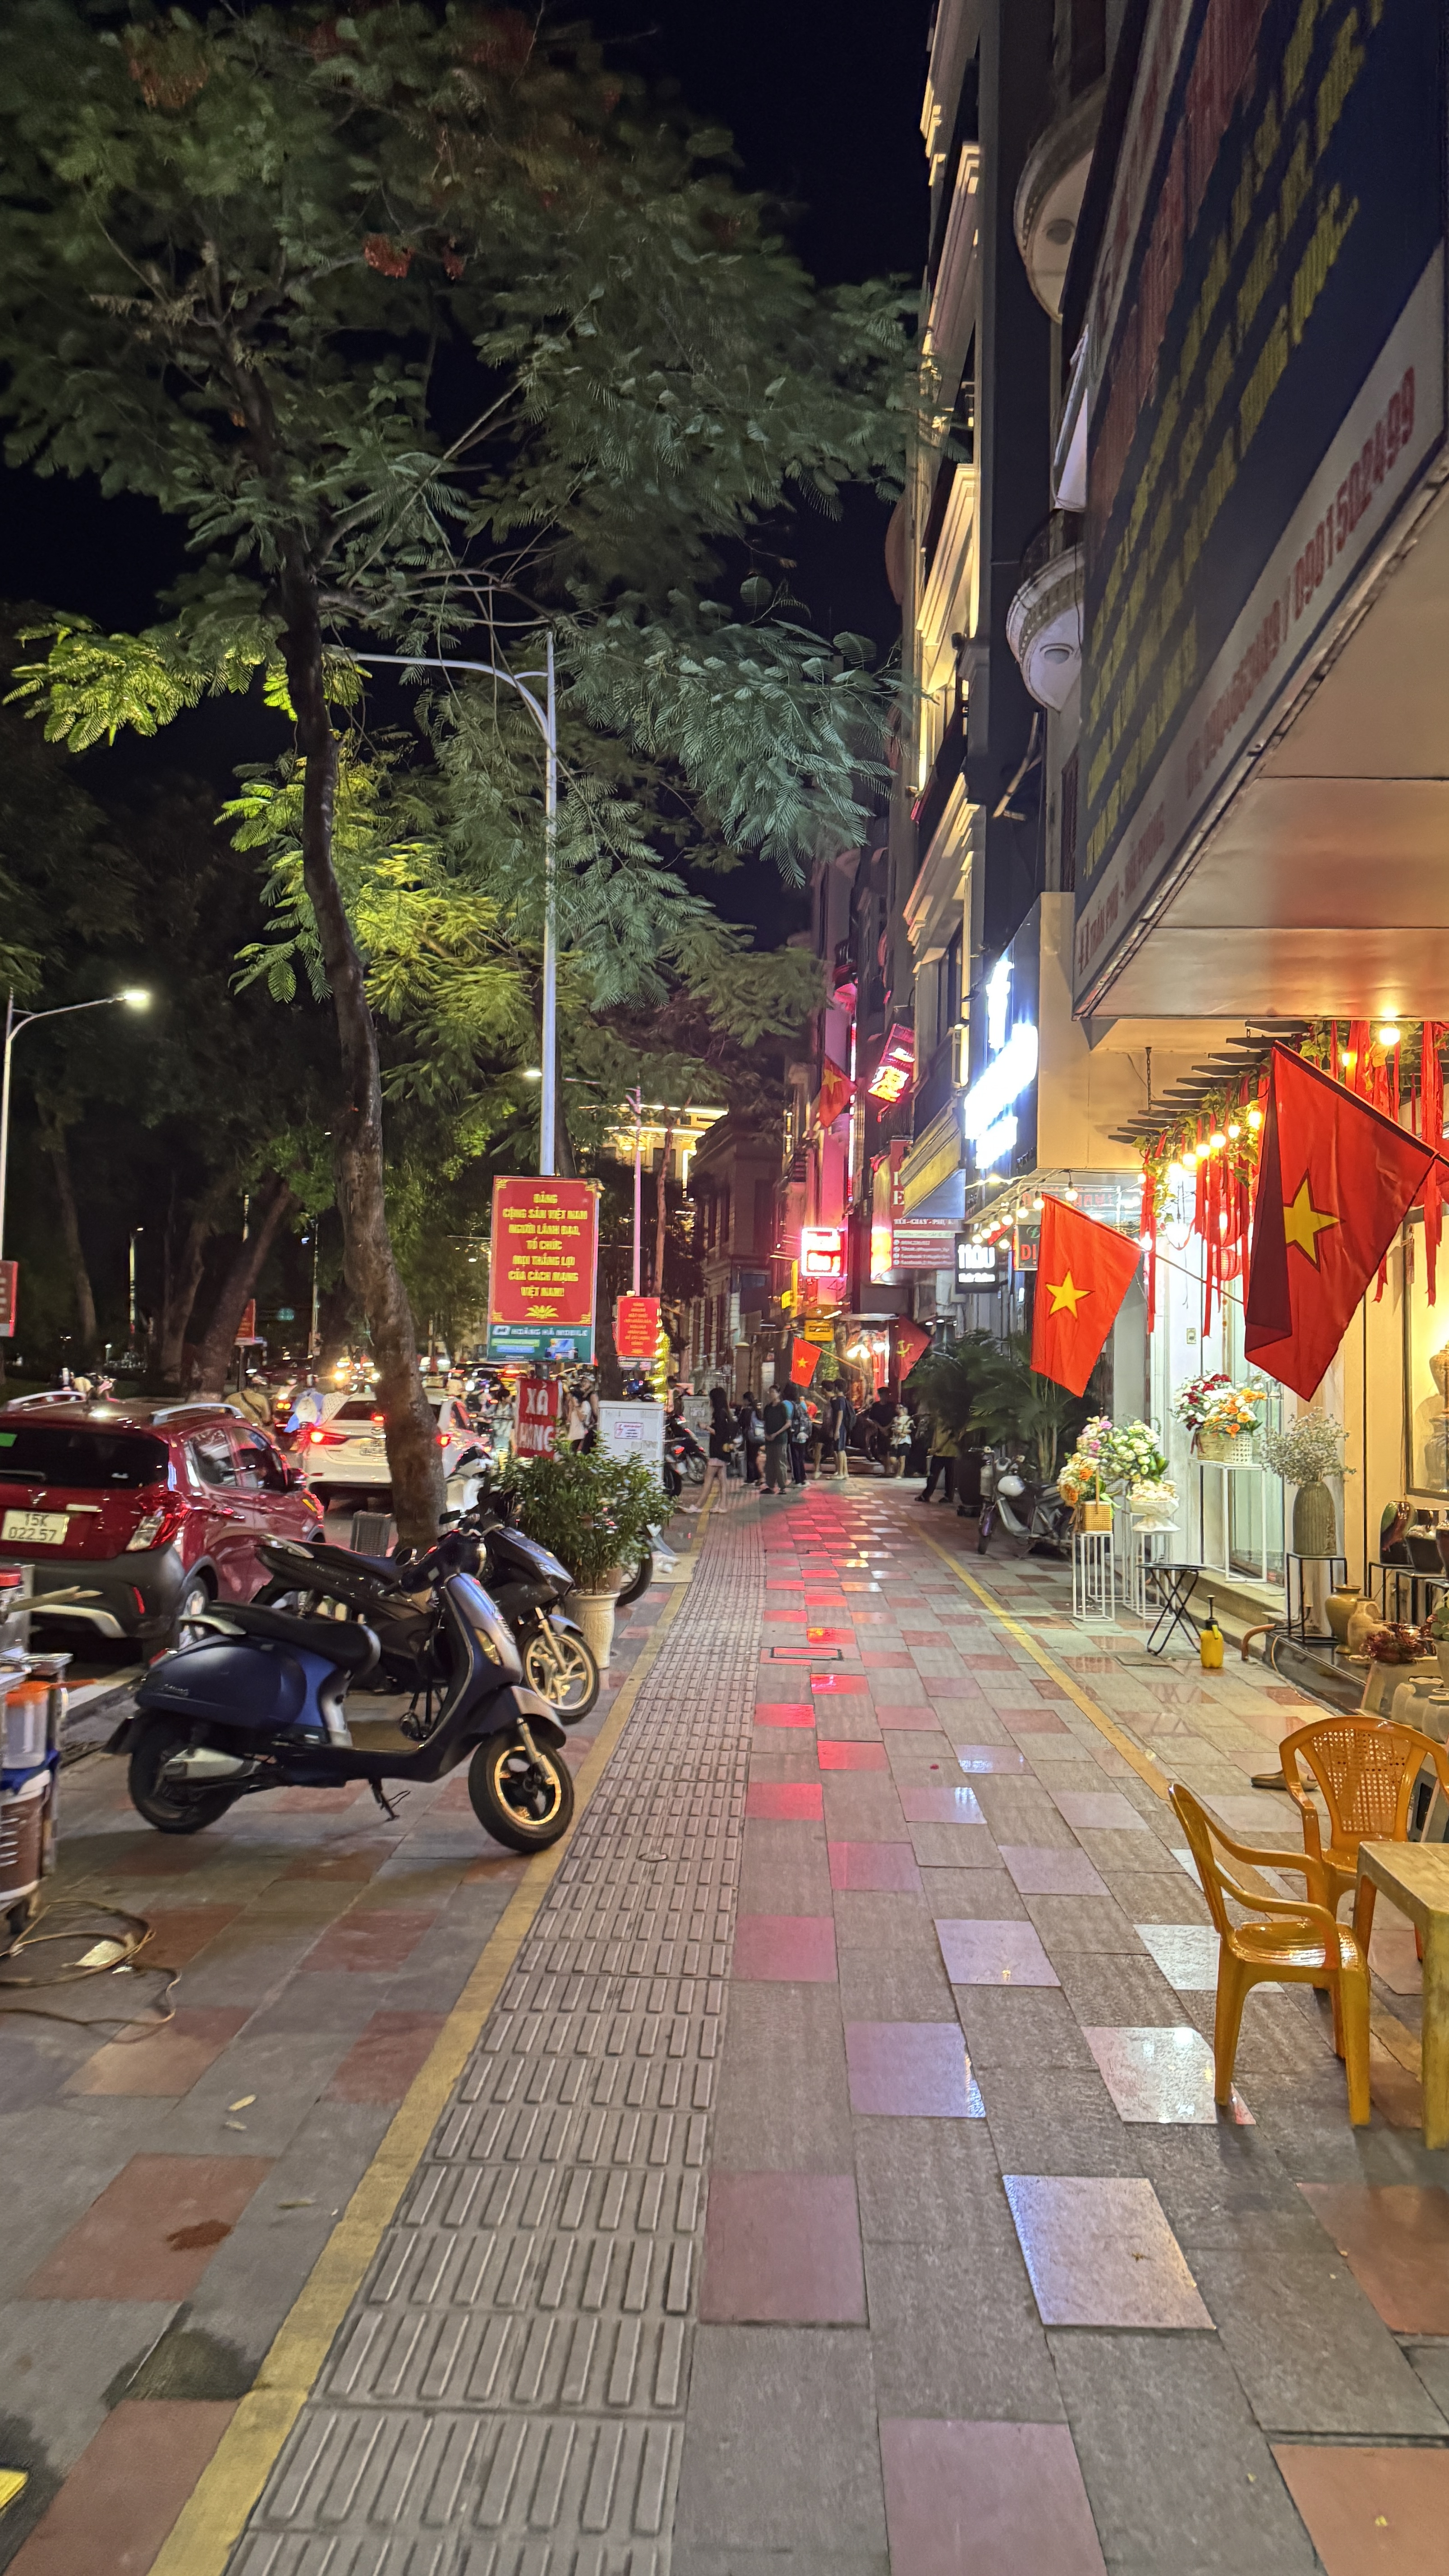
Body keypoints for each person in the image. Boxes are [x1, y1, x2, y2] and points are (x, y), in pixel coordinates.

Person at [687, 1386, 735, 1511]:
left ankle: (698, 1506)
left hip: (717, 1452)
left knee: (708, 1480)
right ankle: (723, 1506)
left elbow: (719, 1433)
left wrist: (706, 1427)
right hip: (724, 1452)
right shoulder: (725, 1413)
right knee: (723, 1480)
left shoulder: (719, 1414)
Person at [922, 1416, 959, 1503]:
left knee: (946, 1476)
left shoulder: (949, 1418)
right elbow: (936, 1434)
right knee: (938, 1475)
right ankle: (928, 1495)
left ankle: (947, 1496)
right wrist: (933, 1448)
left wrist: (937, 1449)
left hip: (948, 1451)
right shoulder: (939, 1417)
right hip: (940, 1452)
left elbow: (949, 1435)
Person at [760, 1389, 791, 1495]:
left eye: (773, 1392)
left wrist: (776, 1434)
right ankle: (770, 1485)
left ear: (778, 1394)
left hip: (780, 1439)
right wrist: (766, 1434)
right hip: (769, 1439)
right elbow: (765, 1422)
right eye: (770, 1392)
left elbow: (788, 1423)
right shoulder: (768, 1408)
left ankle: (783, 1486)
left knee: (780, 1462)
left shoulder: (783, 1407)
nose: (771, 1394)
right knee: (770, 1463)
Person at [737, 1391, 763, 1487]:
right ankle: (758, 1477)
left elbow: (741, 1423)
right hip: (759, 1435)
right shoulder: (757, 1409)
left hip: (750, 1436)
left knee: (750, 1458)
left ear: (747, 1400)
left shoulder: (747, 1411)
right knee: (755, 1457)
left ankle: (751, 1478)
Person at [888, 1400, 913, 1478]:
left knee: (902, 1458)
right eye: (897, 1408)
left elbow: (911, 1430)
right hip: (896, 1441)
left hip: (905, 1440)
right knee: (893, 1459)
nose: (898, 1409)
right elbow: (892, 1428)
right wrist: (895, 1430)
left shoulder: (909, 1419)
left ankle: (901, 1474)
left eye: (900, 1408)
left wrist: (902, 1431)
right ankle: (898, 1470)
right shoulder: (895, 1419)